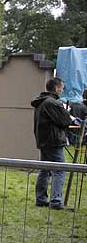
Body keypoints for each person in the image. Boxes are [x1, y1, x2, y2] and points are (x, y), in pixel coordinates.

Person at [32, 77, 76, 210]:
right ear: (56, 88)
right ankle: (56, 201)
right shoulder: (53, 103)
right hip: (53, 141)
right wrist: (66, 112)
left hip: (43, 140)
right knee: (60, 170)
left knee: (44, 170)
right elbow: (65, 121)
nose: (62, 90)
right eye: (61, 88)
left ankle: (41, 199)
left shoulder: (42, 101)